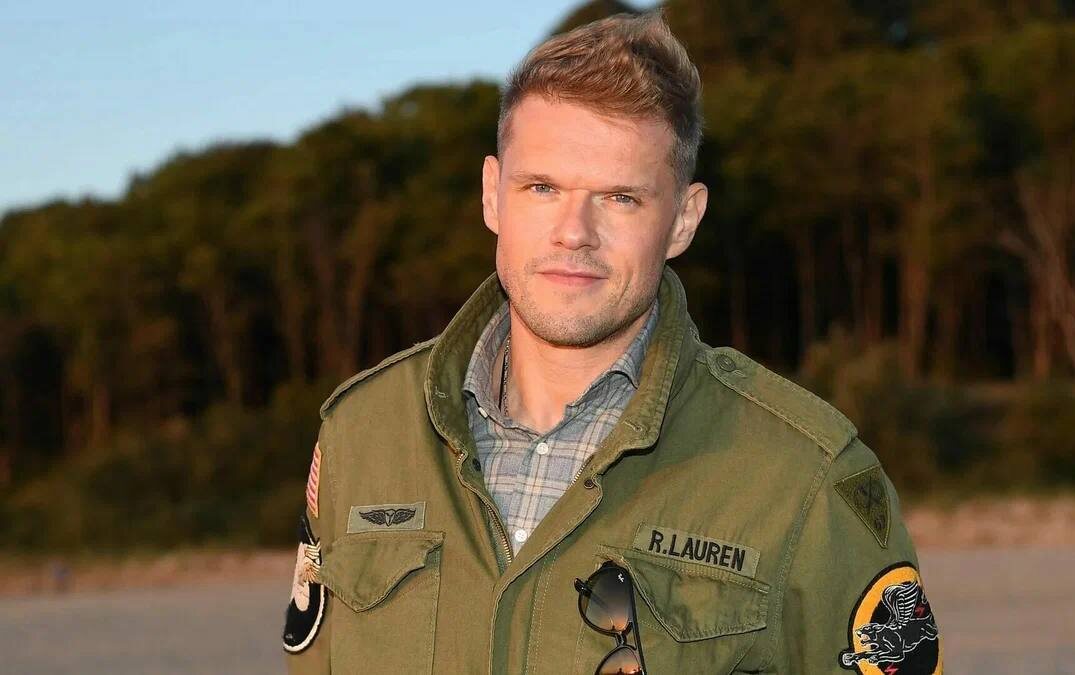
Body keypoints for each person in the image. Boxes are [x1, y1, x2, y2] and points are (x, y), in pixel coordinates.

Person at [283, 11, 941, 675]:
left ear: (683, 219)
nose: (574, 232)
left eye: (621, 198)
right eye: (542, 187)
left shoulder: (806, 476)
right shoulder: (361, 433)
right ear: (492, 195)